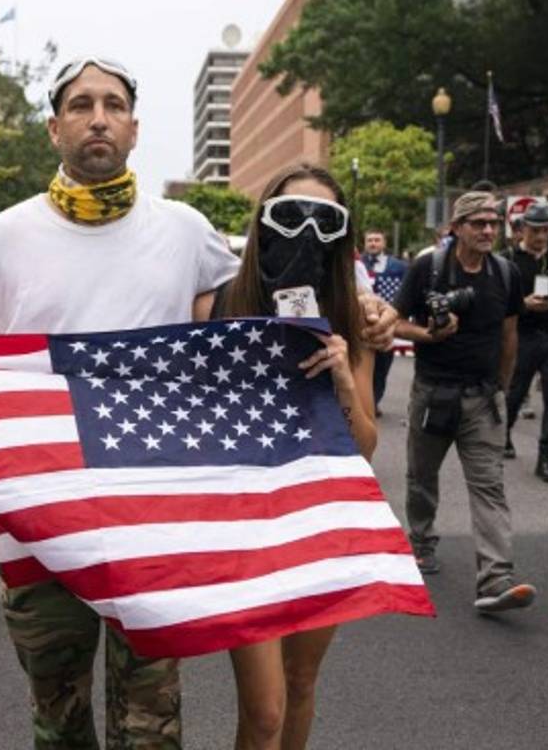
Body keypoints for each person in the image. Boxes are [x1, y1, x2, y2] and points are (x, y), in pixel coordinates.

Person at [0, 56, 398, 747]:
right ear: (53, 127)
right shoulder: (0, 239)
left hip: (156, 531)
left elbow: (274, 288)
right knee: (59, 723)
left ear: (133, 129)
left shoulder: (186, 230)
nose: (97, 117)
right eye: (80, 104)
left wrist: (368, 304)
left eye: (112, 105)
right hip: (41, 534)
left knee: (150, 730)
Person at [201, 163, 377, 750]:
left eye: (324, 218)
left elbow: (366, 446)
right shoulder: (219, 303)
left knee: (301, 682)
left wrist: (344, 383)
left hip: (321, 522)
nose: (305, 230)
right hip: (246, 527)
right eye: (289, 214)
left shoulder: (352, 315)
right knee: (266, 709)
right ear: (262, 222)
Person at [394, 191, 538, 614]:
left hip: (483, 399)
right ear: (456, 228)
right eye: (478, 223)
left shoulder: (507, 273)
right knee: (422, 479)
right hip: (433, 393)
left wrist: (503, 390)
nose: (488, 230)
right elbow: (396, 321)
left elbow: (510, 335)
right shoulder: (428, 268)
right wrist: (428, 335)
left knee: (489, 487)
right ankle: (421, 541)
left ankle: (496, 577)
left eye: (493, 222)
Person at [501, 202, 548, 482]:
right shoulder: (508, 259)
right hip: (523, 334)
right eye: (535, 230)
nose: (541, 236)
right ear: (522, 230)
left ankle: (546, 457)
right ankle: (504, 434)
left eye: (545, 230)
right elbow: (498, 302)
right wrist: (524, 304)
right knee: (515, 392)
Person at [361, 228, 407, 415]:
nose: (373, 243)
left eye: (377, 240)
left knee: (382, 365)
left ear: (384, 243)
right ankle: (361, 402)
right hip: (361, 321)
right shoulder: (356, 264)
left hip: (385, 321)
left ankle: (374, 400)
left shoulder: (398, 266)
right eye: (370, 240)